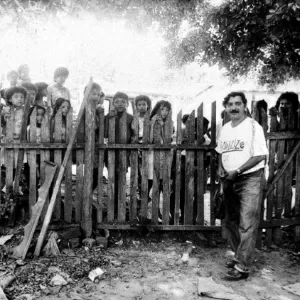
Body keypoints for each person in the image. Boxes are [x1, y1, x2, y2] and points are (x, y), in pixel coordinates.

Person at [216, 91, 268, 280]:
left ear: (245, 106)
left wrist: (237, 171)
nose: (234, 107)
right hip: (229, 180)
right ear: (226, 108)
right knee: (230, 221)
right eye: (230, 104)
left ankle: (242, 267)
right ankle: (239, 256)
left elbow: (260, 155)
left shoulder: (253, 127)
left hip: (249, 179)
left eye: (238, 103)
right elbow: (220, 151)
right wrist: (221, 168)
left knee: (247, 223)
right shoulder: (225, 128)